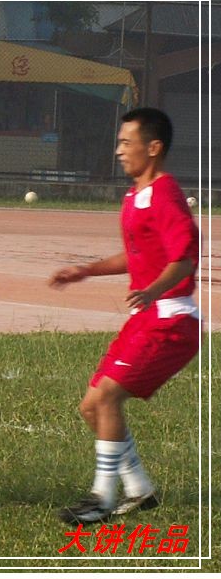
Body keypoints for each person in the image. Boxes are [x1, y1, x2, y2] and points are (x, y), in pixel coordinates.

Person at [49, 107, 200, 524]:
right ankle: (139, 489)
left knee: (108, 397)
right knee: (91, 406)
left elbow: (185, 258)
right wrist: (86, 270)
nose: (119, 150)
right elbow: (137, 256)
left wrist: (153, 289)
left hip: (172, 321)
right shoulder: (135, 196)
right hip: (147, 318)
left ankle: (101, 498)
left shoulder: (166, 194)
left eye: (126, 142)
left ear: (153, 148)